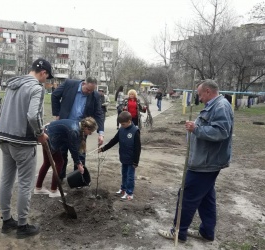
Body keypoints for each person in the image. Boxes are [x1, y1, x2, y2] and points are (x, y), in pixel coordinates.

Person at [158, 79, 234, 243]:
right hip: (205, 161)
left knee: (187, 195)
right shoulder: (214, 105)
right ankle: (207, 232)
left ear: (208, 91)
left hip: (205, 164)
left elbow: (221, 132)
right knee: (206, 198)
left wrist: (196, 129)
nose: (199, 99)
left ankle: (178, 232)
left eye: (200, 94)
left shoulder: (221, 106)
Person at [0, 58, 53, 239]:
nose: (46, 80)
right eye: (47, 77)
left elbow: (2, 109)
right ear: (43, 72)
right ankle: (22, 225)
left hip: (5, 138)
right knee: (25, 183)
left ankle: (6, 221)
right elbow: (32, 115)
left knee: (6, 179)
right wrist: (40, 134)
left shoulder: (13, 85)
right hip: (22, 141)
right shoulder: (36, 88)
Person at [51, 77, 104, 180]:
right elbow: (55, 95)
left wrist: (101, 133)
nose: (89, 92)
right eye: (87, 89)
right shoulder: (69, 84)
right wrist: (57, 114)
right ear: (83, 84)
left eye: (91, 91)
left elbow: (99, 114)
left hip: (82, 128)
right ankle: (60, 177)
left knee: (80, 154)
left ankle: (77, 179)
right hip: (65, 126)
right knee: (62, 152)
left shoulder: (95, 95)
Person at [34, 117, 97, 197]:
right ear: (86, 128)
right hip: (50, 139)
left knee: (47, 163)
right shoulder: (74, 130)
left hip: (47, 134)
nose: (90, 134)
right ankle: (53, 190)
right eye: (90, 132)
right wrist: (78, 164)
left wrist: (78, 162)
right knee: (60, 162)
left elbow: (75, 146)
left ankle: (38, 188)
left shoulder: (77, 126)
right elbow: (73, 148)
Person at [98, 111, 141, 201]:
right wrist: (103, 148)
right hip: (123, 157)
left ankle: (129, 193)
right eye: (120, 124)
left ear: (129, 121)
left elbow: (138, 148)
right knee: (124, 174)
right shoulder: (121, 130)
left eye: (123, 124)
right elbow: (114, 140)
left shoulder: (135, 131)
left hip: (131, 159)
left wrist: (136, 161)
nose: (122, 125)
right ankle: (123, 189)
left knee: (130, 176)